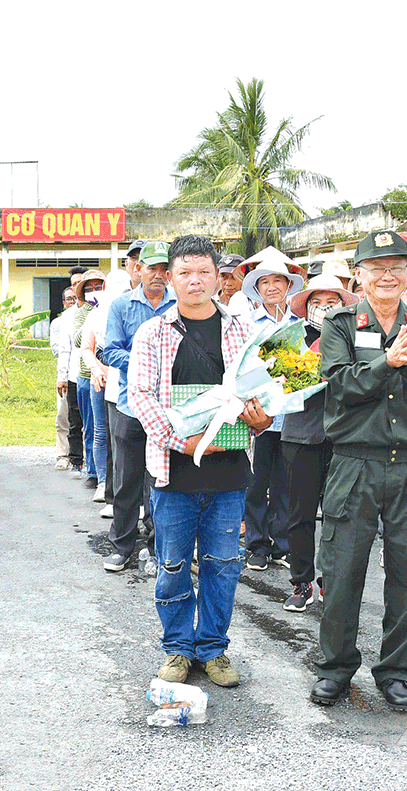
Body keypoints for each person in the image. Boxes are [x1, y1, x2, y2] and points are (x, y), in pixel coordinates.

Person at [310, 230, 407, 713]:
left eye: (397, 265)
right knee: (342, 571)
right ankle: (334, 668)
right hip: (355, 465)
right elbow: (338, 383)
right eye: (376, 267)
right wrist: (385, 363)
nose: (387, 275)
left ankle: (395, 672)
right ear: (360, 274)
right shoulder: (340, 324)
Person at [129, 235, 271, 688]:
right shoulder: (154, 332)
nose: (194, 282)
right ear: (170, 277)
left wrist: (262, 417)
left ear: (219, 278)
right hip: (174, 469)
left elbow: (263, 392)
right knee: (172, 564)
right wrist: (182, 441)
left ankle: (213, 648)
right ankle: (176, 649)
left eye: (204, 273)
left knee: (223, 563)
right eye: (184, 273)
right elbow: (141, 397)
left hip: (228, 469)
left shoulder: (241, 330)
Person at [278, 273, 356, 611]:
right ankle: (301, 582)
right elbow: (278, 381)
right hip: (300, 434)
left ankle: (331, 582)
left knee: (340, 516)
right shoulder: (289, 336)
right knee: (300, 514)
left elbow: (364, 378)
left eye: (331, 303)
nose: (323, 309)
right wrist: (318, 370)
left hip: (345, 436)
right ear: (306, 306)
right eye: (317, 303)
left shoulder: (355, 335)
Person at [99, 239, 177, 572]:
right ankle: (121, 547)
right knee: (128, 480)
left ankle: (162, 549)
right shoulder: (120, 306)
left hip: (169, 409)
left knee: (163, 479)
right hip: (131, 406)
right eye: (152, 268)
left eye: (164, 269)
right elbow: (110, 350)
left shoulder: (181, 304)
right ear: (138, 269)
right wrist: (147, 361)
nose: (158, 275)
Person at [239, 259, 303, 570]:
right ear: (258, 289)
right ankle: (257, 545)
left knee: (285, 484)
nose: (272, 287)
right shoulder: (247, 324)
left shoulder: (300, 324)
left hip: (291, 415)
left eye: (278, 281)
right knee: (255, 481)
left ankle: (282, 544)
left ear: (289, 286)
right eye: (265, 283)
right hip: (258, 415)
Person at [84, 270, 130, 513]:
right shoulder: (97, 314)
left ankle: (130, 498)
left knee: (126, 443)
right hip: (105, 384)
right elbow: (91, 349)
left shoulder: (133, 311)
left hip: (131, 384)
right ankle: (106, 486)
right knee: (106, 436)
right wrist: (96, 369)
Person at [71, 270, 107, 491]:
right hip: (86, 375)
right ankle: (93, 471)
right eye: (89, 288)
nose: (95, 292)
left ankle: (105, 472)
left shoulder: (113, 306)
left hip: (109, 373)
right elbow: (77, 341)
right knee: (91, 425)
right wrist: (93, 316)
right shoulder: (82, 312)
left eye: (98, 287)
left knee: (107, 426)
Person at [51, 287, 80, 471]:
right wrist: (62, 375)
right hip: (66, 373)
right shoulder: (59, 323)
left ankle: (79, 456)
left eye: (75, 298)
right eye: (69, 299)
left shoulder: (87, 315)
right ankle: (62, 454)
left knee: (81, 418)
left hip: (83, 374)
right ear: (64, 303)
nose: (72, 302)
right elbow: (58, 349)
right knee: (63, 415)